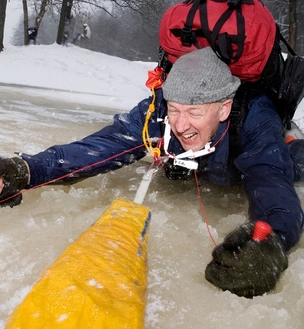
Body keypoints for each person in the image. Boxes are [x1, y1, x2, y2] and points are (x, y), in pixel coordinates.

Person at [0, 47, 303, 298]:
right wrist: (28, 170)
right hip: (194, 162)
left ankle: (291, 141)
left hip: (244, 162)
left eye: (195, 112)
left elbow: (270, 181)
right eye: (175, 110)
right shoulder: (157, 108)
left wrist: (272, 241)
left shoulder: (255, 116)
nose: (181, 123)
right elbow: (104, 146)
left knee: (292, 165)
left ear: (223, 108)